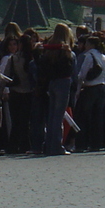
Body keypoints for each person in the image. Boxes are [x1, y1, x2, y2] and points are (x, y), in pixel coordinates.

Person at [40, 24, 75, 156]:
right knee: (59, 116)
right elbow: (70, 68)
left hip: (52, 82)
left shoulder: (50, 48)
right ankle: (57, 145)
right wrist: (69, 54)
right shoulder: (65, 48)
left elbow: (43, 64)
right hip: (63, 81)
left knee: (52, 115)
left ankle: (48, 145)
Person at [74, 34, 105, 151]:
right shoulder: (104, 57)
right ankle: (96, 143)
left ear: (91, 45)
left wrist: (78, 90)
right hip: (102, 88)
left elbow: (82, 75)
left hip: (90, 88)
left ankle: (81, 144)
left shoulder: (88, 56)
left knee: (83, 117)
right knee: (98, 117)